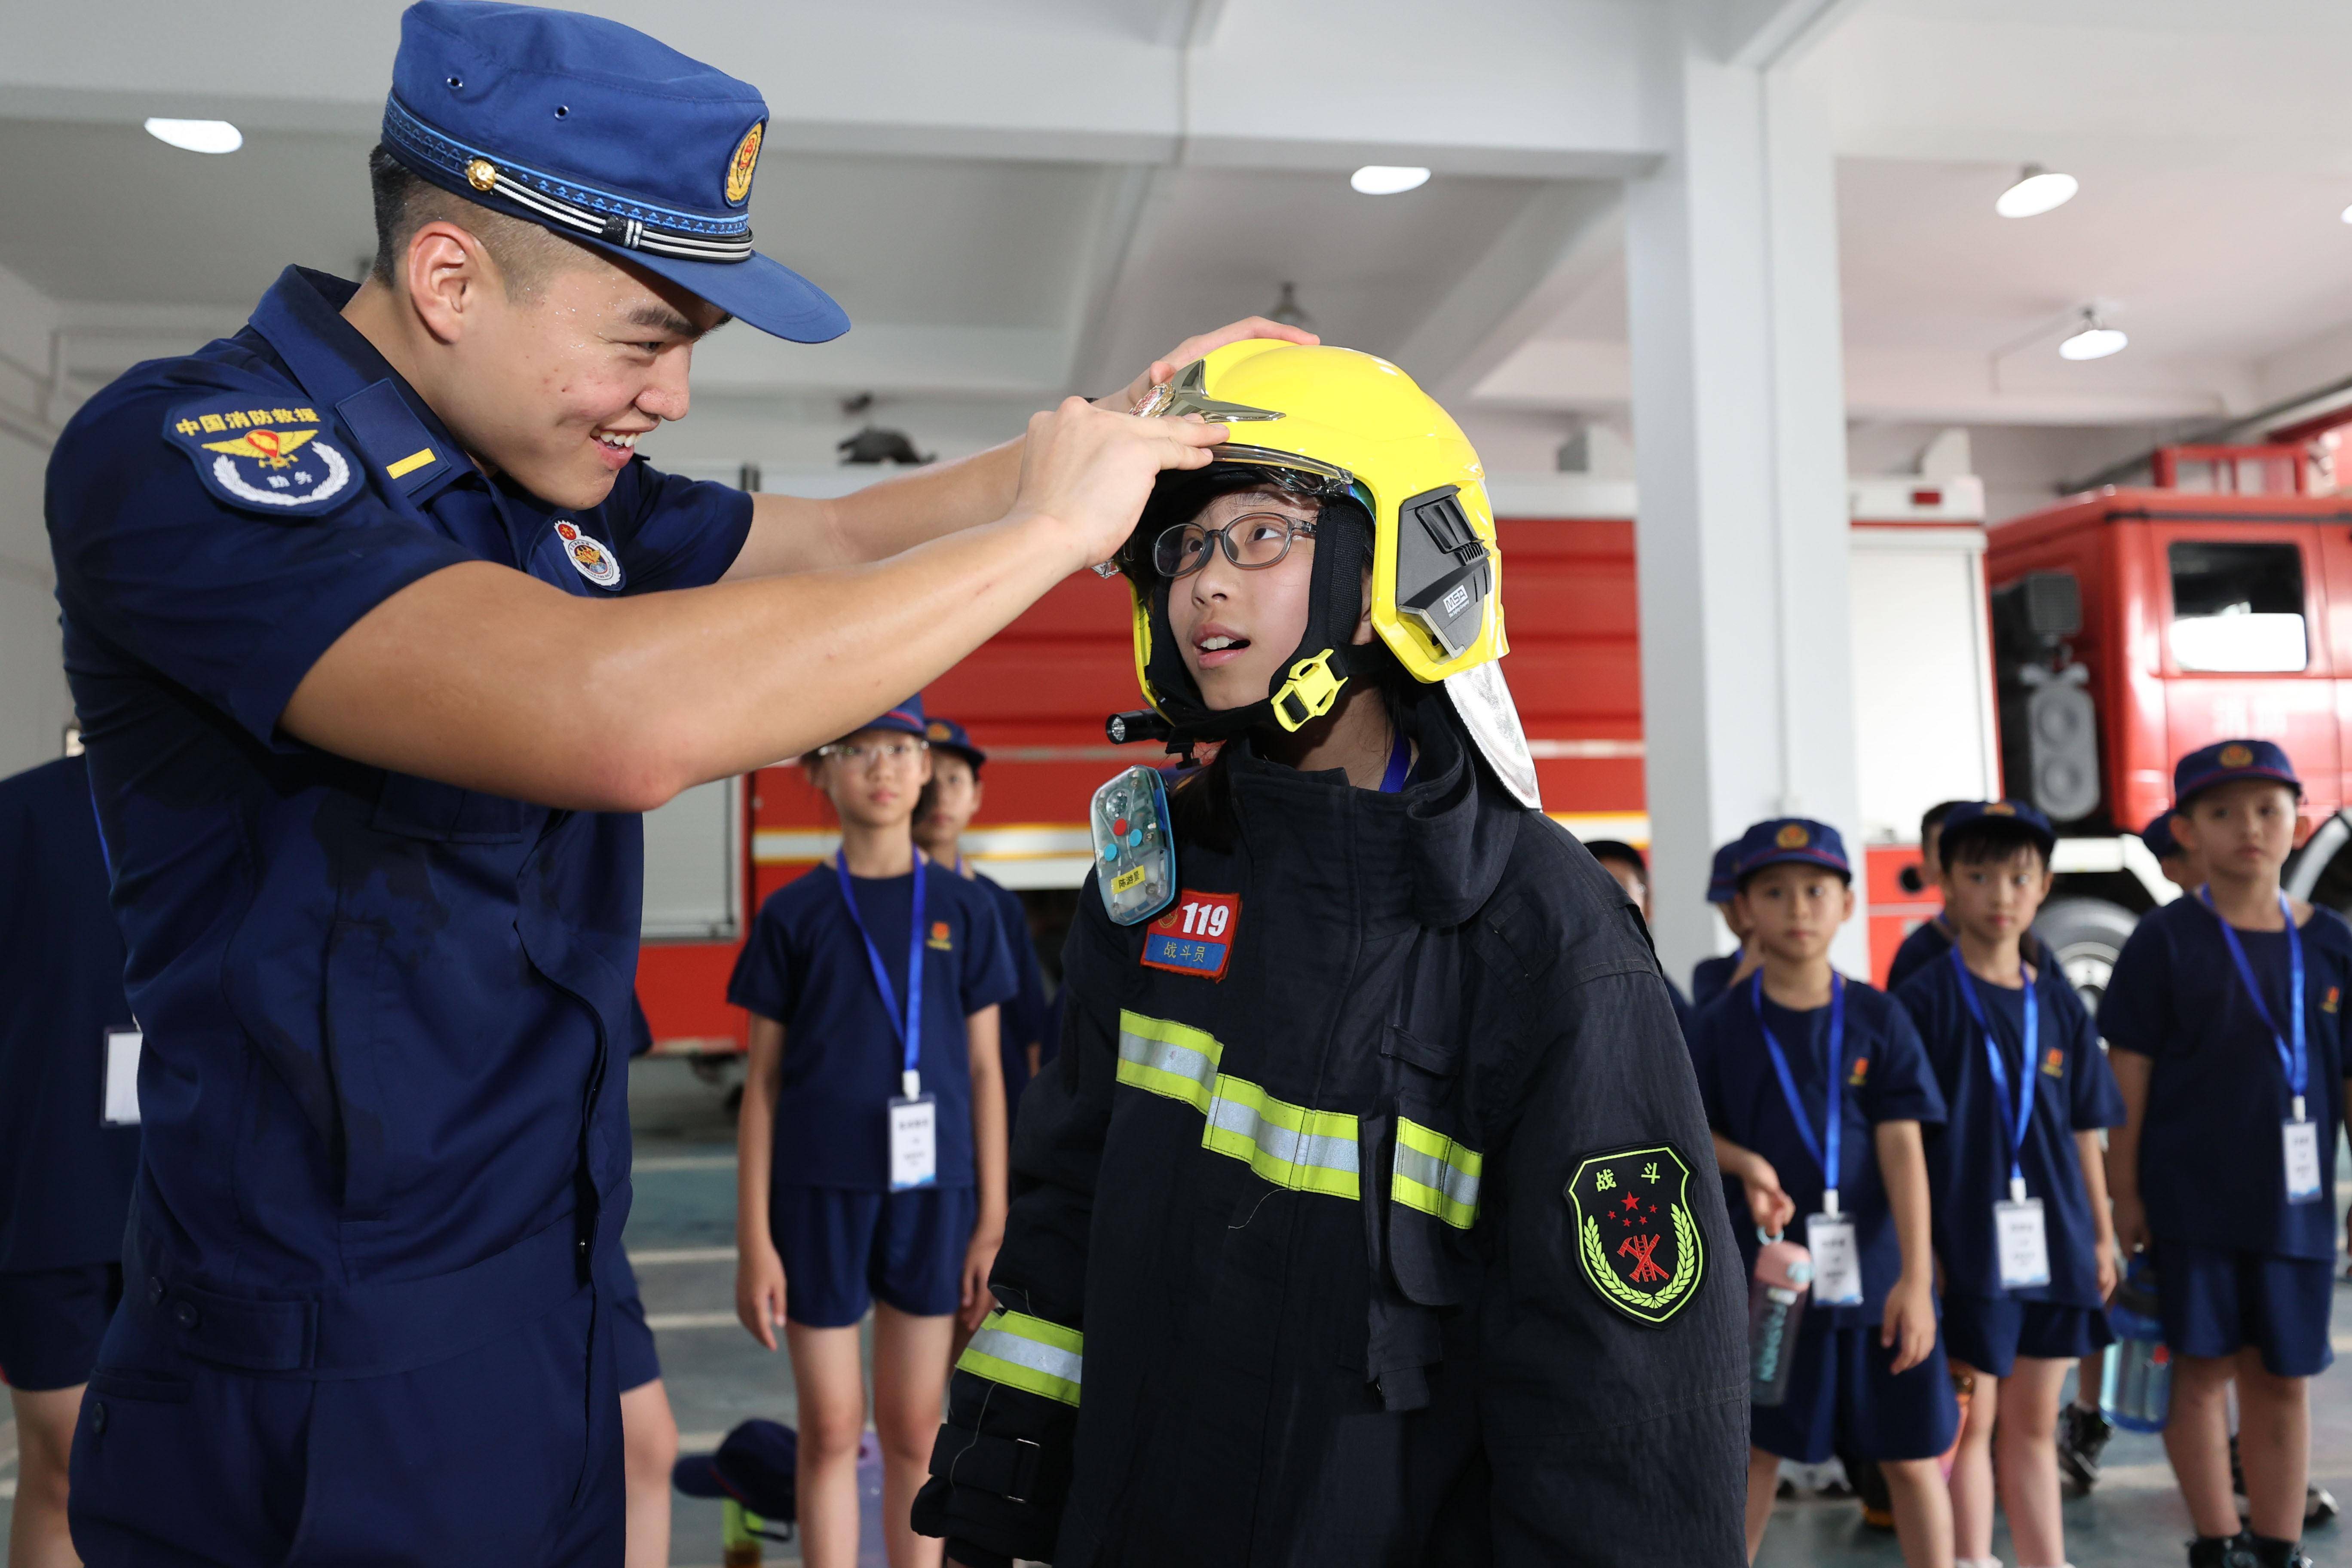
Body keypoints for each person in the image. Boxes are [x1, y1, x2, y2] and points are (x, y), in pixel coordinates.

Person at [44, 2, 1297, 1557]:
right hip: (318, 1381)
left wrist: (1125, 436)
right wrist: (1046, 535)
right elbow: (608, 718)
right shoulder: (185, 457)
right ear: (450, 280)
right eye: (646, 339)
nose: (672, 399)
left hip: (549, 1315)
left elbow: (840, 540)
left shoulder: (546, 493)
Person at [910, 342, 1747, 1567]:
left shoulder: (1540, 930)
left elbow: (1626, 1392)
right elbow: (1063, 1218)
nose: (1204, 586)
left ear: (1394, 567)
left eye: (1261, 537)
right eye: (1182, 547)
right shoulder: (1152, 882)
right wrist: (997, 1501)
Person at [730, 695, 1017, 1568]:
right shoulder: (795, 913)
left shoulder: (967, 913)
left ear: (927, 768)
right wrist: (754, 1244)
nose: (884, 768)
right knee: (828, 1429)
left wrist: (993, 1219)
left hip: (937, 1197)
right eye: (858, 750)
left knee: (910, 1429)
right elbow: (763, 1088)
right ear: (818, 770)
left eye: (900, 750)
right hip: (817, 1197)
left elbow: (983, 1073)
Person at [2101, 740, 2351, 1568]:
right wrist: (2122, 1193)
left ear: (2300, 821)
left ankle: (2276, 1545)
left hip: (2297, 1209)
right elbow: (2125, 1079)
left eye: (2267, 808)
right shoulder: (2163, 941)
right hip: (2189, 1205)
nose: (2248, 826)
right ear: (2186, 829)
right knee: (2200, 1371)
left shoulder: (2332, 945)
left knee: (2282, 1376)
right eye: (2221, 811)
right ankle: (2217, 1541)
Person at [1688, 818, 1955, 1568]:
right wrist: (1746, 1163)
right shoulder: (1718, 1026)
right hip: (1771, 1289)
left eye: (1815, 889)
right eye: (1774, 892)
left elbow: (1904, 1149)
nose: (1797, 907)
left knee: (1910, 1454)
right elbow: (1685, 1131)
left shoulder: (1878, 1016)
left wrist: (1916, 1277)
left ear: (1846, 903)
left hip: (1877, 1282)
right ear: (1743, 911)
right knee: (1754, 1454)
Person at [1893, 802, 2123, 1568]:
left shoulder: (2055, 998)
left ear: (2044, 887)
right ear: (1946, 884)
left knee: (2032, 1421)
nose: (2000, 891)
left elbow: (2085, 1127)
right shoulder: (1922, 1000)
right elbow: (1905, 1144)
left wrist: (2099, 1232)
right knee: (1975, 1421)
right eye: (1979, 874)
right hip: (1968, 1246)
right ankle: (1969, 1558)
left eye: (2019, 876)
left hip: (2052, 1242)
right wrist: (1922, 1254)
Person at [0, 745, 141, 1568]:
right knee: (63, 1468)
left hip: (221, 1189)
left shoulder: (259, 809)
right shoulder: (22, 818)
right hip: (60, 1189)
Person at [914, 715, 1054, 1115]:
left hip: (993, 1105)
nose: (940, 797)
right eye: (928, 781)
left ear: (977, 795)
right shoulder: (889, 900)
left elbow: (1028, 1026)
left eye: (955, 780)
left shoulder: (997, 905)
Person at [1586, 837, 1696, 1031]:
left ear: (1648, 906)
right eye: (1590, 892)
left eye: (1620, 890)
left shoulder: (1670, 1004)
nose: (1604, 906)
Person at [1885, 801, 1972, 992]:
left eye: (1974, 851)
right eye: (1947, 853)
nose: (1964, 865)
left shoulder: (2027, 948)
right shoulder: (1915, 959)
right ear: (1925, 872)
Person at [1692, 841, 1758, 1009]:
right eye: (1730, 904)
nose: (1743, 915)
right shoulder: (1711, 973)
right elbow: (1710, 1028)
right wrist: (1756, 950)